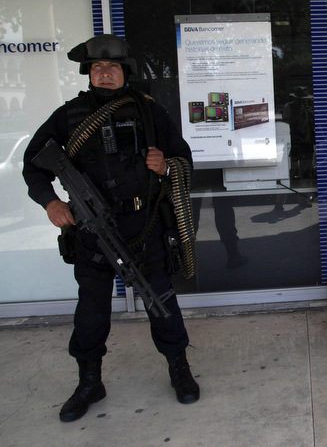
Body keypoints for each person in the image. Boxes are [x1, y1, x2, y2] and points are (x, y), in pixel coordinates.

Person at [22, 34, 200, 422]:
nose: (105, 74)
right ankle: (89, 382)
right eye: (98, 68)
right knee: (91, 311)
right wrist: (50, 202)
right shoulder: (68, 116)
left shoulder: (150, 112)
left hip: (144, 223)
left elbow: (184, 158)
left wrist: (165, 166)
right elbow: (33, 165)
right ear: (89, 73)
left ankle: (179, 370)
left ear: (124, 72)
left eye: (112, 68)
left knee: (162, 302)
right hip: (90, 231)